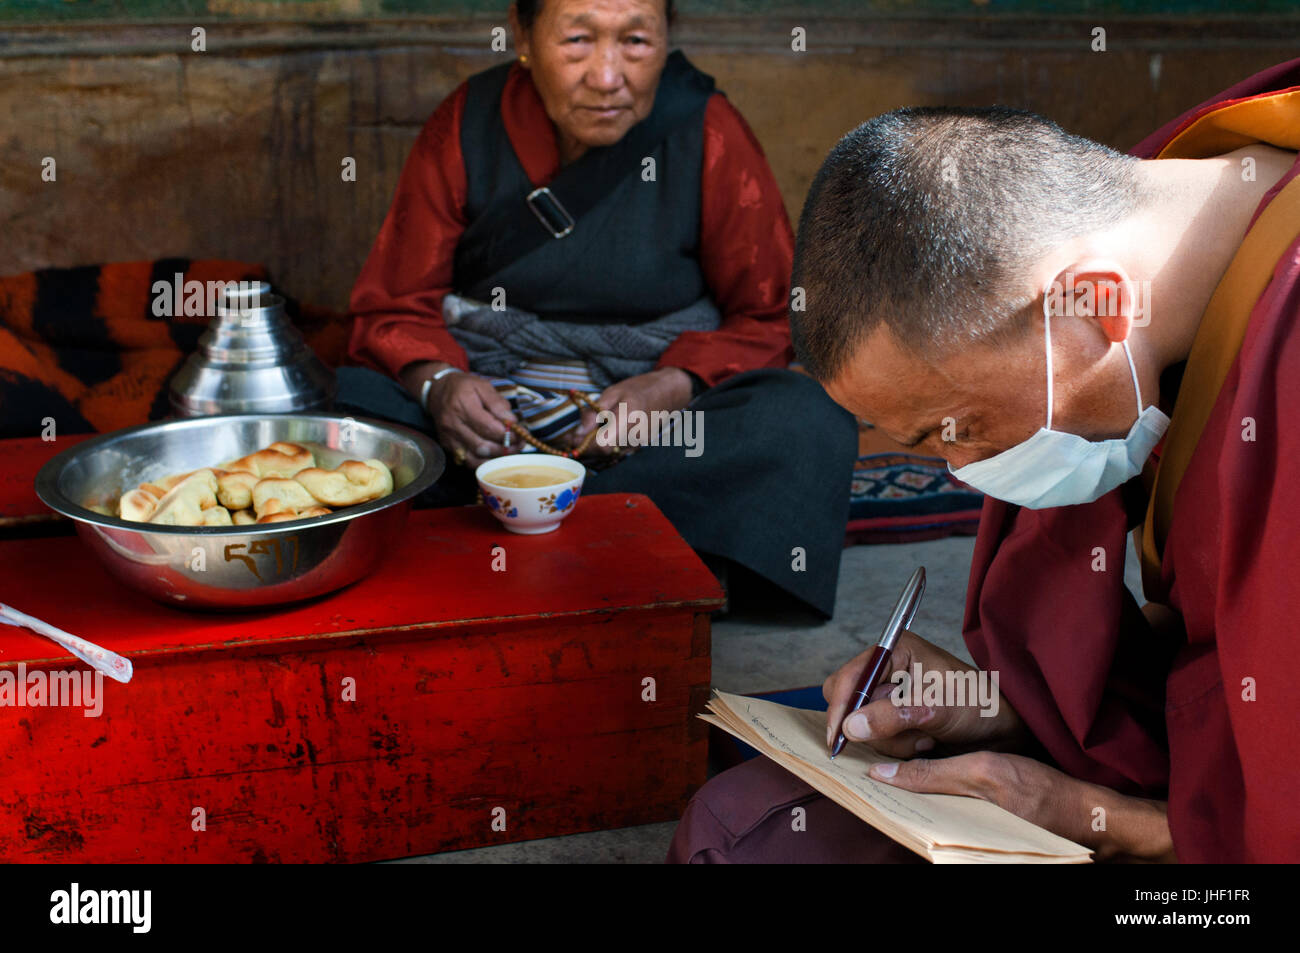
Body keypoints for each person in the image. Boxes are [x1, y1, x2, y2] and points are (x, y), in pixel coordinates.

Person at [668, 58, 1300, 862]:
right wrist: (1001, 706)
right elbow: (1222, 661)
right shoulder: (1184, 208)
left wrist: (1106, 822)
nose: (958, 472)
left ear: (1096, 302)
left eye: (953, 427)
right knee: (745, 825)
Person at [337, 0, 856, 617]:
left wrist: (672, 387)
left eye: (635, 43)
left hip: (643, 431)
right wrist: (440, 385)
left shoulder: (705, 127)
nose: (608, 77)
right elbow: (395, 303)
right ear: (523, 37)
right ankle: (640, 557)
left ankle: (501, 552)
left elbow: (772, 311)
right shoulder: (467, 123)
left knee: (804, 416)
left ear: (666, 42)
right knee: (347, 406)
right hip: (485, 429)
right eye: (578, 41)